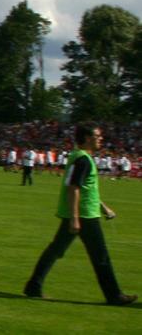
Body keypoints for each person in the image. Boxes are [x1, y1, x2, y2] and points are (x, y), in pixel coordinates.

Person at [24, 123, 136, 305]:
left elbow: (84, 188)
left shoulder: (79, 158)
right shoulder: (83, 159)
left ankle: (33, 286)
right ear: (87, 138)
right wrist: (75, 219)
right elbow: (73, 188)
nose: (101, 139)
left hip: (80, 213)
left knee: (55, 251)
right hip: (84, 216)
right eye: (98, 136)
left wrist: (103, 207)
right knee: (100, 257)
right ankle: (114, 296)